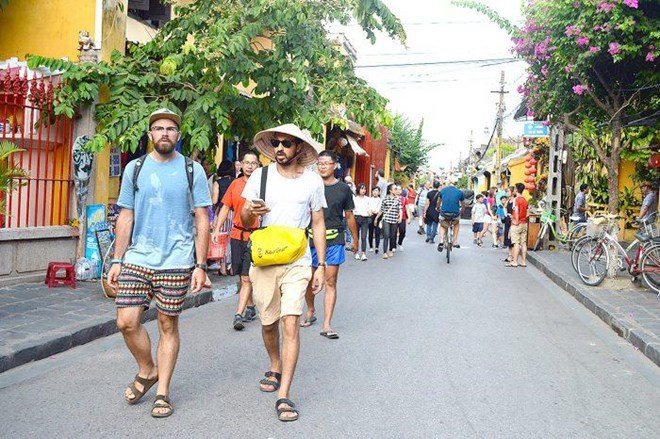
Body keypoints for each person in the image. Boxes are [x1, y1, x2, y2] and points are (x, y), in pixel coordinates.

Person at [108, 108, 211, 418]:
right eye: (158, 128)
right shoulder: (134, 169)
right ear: (150, 134)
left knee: (168, 324)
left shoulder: (193, 170)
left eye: (170, 129)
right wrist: (116, 259)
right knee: (126, 321)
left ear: (178, 135)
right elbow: (126, 214)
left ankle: (163, 390)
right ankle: (147, 369)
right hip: (138, 257)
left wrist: (201, 265)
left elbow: (203, 218)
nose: (165, 133)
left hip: (177, 259)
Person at [240, 123, 326, 422]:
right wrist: (253, 212)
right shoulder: (260, 177)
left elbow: (317, 222)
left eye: (286, 144)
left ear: (298, 148)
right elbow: (244, 216)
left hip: (298, 258)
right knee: (267, 322)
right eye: (275, 143)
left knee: (290, 322)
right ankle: (274, 362)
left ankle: (284, 394)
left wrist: (320, 264)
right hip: (265, 257)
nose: (280, 148)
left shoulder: (313, 182)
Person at [302, 150, 357, 339]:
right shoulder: (309, 185)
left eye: (327, 163)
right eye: (320, 163)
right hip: (310, 240)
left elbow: (349, 216)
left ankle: (326, 324)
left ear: (335, 165)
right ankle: (310, 310)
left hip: (335, 240)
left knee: (330, 281)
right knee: (309, 281)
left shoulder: (343, 189)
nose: (323, 166)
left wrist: (356, 240)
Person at [211, 151, 260, 331]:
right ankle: (251, 306)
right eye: (246, 163)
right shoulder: (235, 184)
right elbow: (225, 208)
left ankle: (238, 314)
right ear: (241, 165)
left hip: (256, 236)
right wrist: (216, 230)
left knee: (246, 277)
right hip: (236, 235)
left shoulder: (263, 186)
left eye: (253, 163)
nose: (249, 166)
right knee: (241, 274)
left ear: (258, 166)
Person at [211, 160, 235, 276]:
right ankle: (233, 267)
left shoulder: (218, 183)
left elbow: (214, 200)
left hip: (221, 212)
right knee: (232, 239)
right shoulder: (236, 182)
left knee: (222, 239)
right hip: (234, 213)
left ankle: (223, 267)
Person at [437, 176, 465, 252]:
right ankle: (455, 241)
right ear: (456, 183)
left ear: (448, 183)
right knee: (457, 223)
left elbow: (439, 202)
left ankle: (441, 241)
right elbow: (463, 204)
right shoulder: (460, 192)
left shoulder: (443, 191)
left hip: (444, 213)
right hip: (455, 214)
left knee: (442, 224)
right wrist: (462, 210)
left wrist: (437, 208)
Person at [375, 183, 401, 259]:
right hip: (386, 219)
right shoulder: (385, 199)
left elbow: (400, 209)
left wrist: (400, 216)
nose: (396, 190)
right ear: (390, 190)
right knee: (386, 235)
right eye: (395, 189)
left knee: (393, 236)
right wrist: (376, 218)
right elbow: (381, 210)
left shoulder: (398, 199)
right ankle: (384, 252)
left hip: (394, 220)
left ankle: (390, 250)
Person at [507, 182, 529, 267]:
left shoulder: (516, 200)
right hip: (524, 223)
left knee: (516, 243)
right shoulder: (525, 200)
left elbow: (516, 211)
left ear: (516, 189)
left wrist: (514, 220)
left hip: (517, 223)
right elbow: (527, 213)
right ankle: (523, 262)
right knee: (523, 243)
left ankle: (515, 261)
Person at [352, 183, 371, 261]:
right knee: (356, 236)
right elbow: (352, 209)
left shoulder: (368, 199)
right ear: (358, 189)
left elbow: (369, 208)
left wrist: (370, 212)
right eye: (362, 188)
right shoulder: (354, 198)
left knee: (363, 236)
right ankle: (356, 252)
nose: (363, 190)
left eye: (364, 189)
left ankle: (363, 253)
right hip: (356, 217)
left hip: (365, 218)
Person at [368, 186, 382, 253]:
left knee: (377, 232)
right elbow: (368, 208)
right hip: (371, 216)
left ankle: (377, 247)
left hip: (378, 216)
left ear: (379, 192)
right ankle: (370, 246)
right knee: (370, 232)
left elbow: (381, 209)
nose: (375, 192)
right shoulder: (369, 199)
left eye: (376, 191)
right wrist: (371, 211)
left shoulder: (381, 200)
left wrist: (376, 217)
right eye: (374, 191)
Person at [395, 183, 409, 251]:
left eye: (399, 189)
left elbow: (407, 208)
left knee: (402, 231)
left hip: (402, 217)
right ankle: (393, 245)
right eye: (396, 189)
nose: (398, 191)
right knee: (393, 232)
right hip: (393, 217)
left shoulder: (404, 199)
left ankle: (399, 243)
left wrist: (409, 217)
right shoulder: (392, 198)